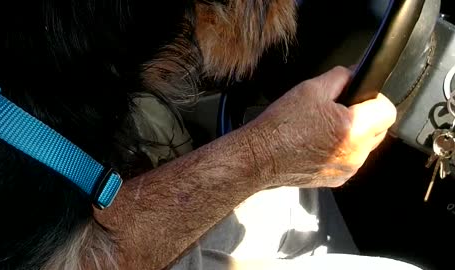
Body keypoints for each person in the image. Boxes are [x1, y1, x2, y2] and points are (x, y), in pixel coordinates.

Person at [94, 66, 423, 270]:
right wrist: (266, 152)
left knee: (304, 198)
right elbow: (92, 257)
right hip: (91, 255)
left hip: (103, 228)